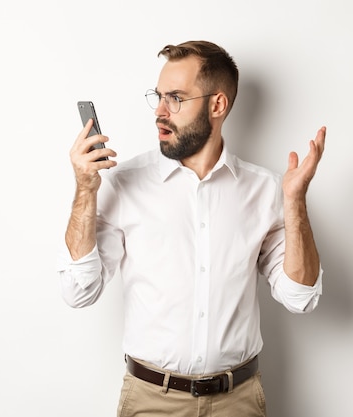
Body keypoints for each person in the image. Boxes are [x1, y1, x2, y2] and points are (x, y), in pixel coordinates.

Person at [57, 40, 326, 417]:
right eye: (158, 96)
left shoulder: (265, 190)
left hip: (239, 402)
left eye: (177, 98)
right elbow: (78, 291)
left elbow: (300, 297)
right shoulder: (124, 183)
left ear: (218, 105)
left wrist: (295, 202)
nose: (160, 112)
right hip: (151, 402)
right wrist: (85, 189)